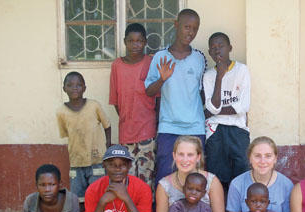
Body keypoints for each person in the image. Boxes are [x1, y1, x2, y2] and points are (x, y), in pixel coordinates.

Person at [145, 9, 206, 185]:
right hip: (169, 127)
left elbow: (201, 92)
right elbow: (149, 91)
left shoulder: (199, 58)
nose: (191, 32)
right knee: (165, 177)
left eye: (195, 28)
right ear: (176, 25)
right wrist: (162, 79)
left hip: (195, 127)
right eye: (187, 27)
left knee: (195, 179)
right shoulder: (160, 57)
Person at [109, 23, 157, 190]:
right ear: (124, 42)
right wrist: (127, 119)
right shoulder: (117, 66)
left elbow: (158, 99)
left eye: (139, 41)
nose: (135, 45)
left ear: (145, 42)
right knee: (126, 179)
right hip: (126, 133)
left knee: (146, 179)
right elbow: (116, 101)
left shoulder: (151, 63)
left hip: (147, 133)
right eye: (131, 41)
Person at [203, 32, 250, 189]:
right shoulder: (209, 75)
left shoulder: (242, 70)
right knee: (216, 176)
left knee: (242, 172)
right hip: (215, 130)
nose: (217, 51)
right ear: (209, 52)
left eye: (221, 46)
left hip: (238, 129)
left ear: (230, 48)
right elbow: (212, 107)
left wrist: (214, 111)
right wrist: (219, 76)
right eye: (213, 48)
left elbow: (243, 107)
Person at [57, 71, 111, 201]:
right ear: (64, 89)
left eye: (78, 85)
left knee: (97, 197)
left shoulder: (94, 106)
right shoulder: (61, 112)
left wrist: (107, 147)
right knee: (78, 199)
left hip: (97, 161)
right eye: (70, 85)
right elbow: (66, 134)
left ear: (84, 88)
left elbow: (107, 126)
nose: (74, 88)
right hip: (76, 162)